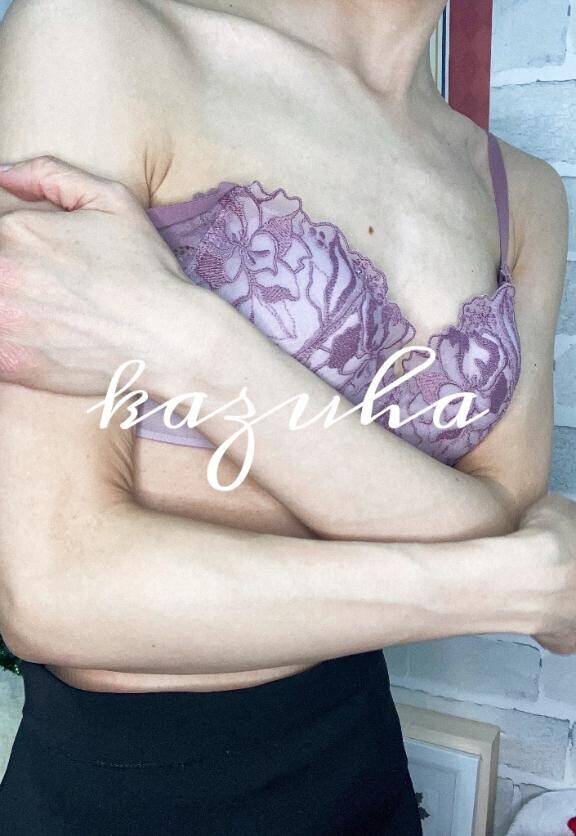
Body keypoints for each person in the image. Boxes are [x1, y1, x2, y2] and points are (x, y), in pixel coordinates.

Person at [0, 0, 574, 833]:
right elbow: (52, 589)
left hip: (362, 772)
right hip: (119, 794)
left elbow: (504, 521)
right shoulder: (96, 38)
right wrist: (497, 587)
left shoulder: (525, 194)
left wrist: (187, 344)